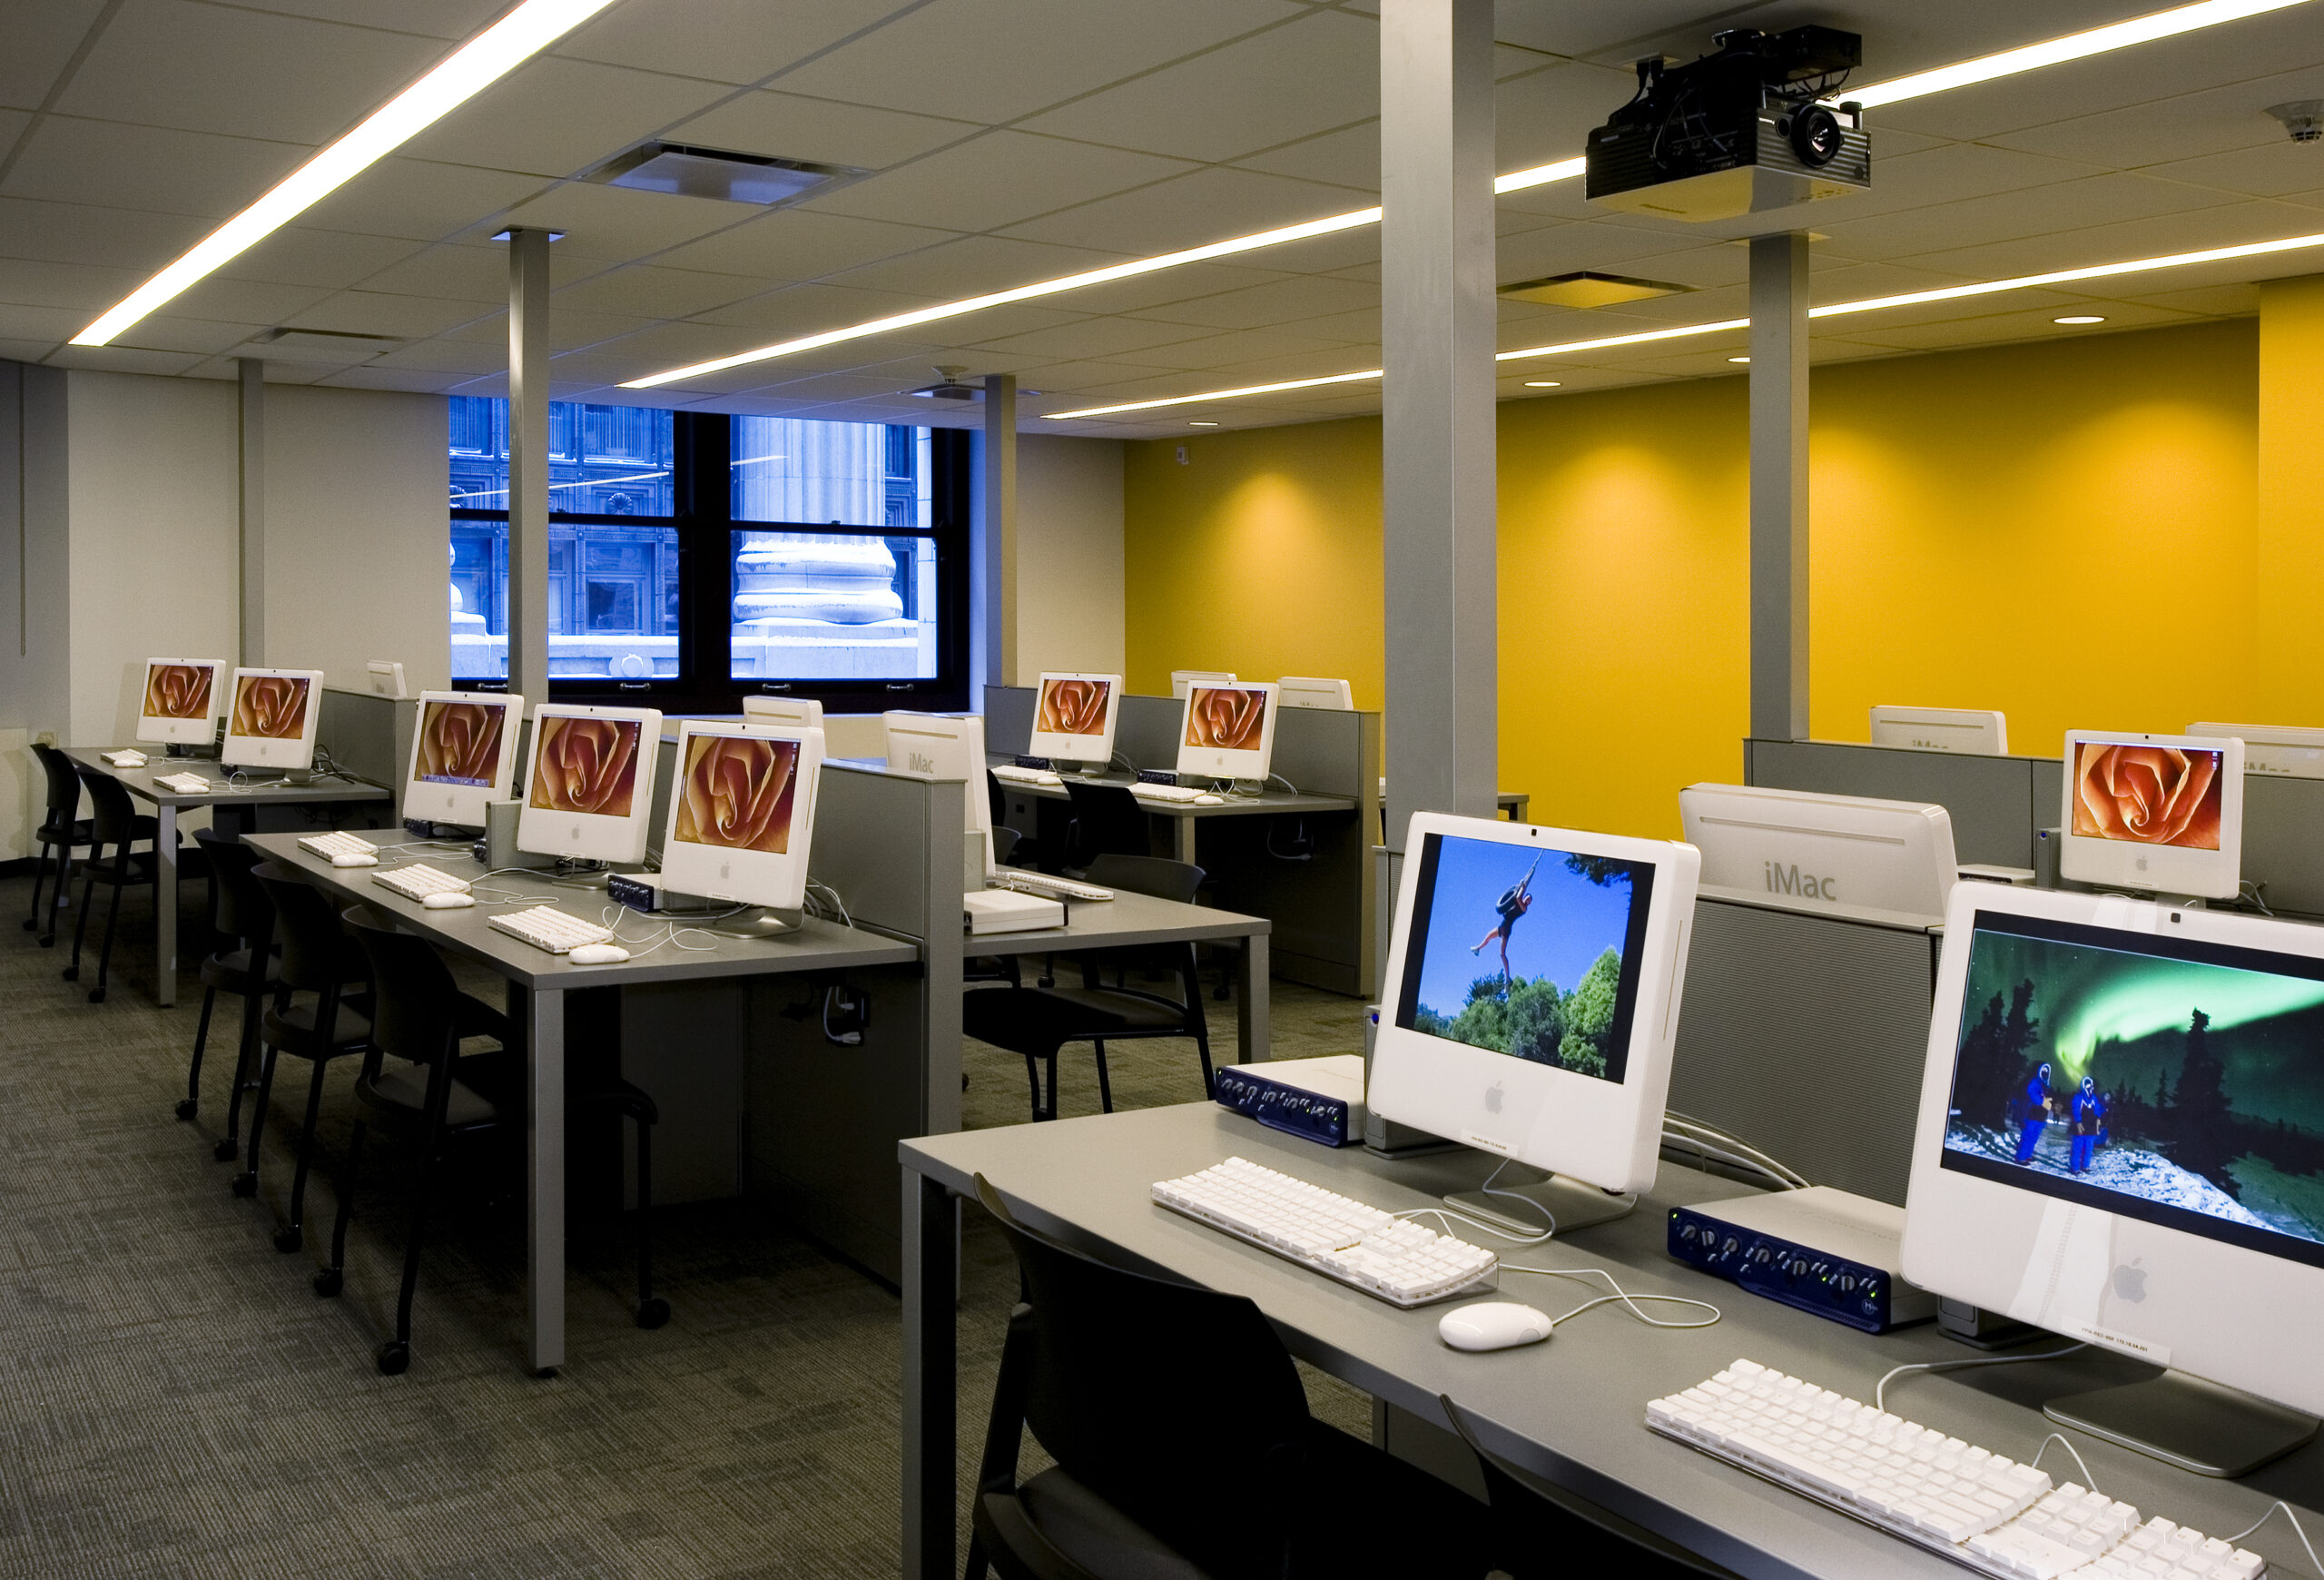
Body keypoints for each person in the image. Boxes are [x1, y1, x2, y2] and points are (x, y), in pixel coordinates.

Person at [1469, 854, 1541, 984]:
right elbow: (1515, 897)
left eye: (1529, 900)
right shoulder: (1518, 901)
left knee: (1502, 954)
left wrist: (1522, 888)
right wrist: (1520, 887)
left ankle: (1508, 978)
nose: (1527, 900)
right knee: (1488, 937)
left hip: (1506, 929)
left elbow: (1518, 898)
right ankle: (1478, 948)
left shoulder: (1524, 907)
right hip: (1502, 926)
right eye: (1528, 898)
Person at [2014, 1062, 2054, 1164]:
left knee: (2034, 1138)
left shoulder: (2046, 1085)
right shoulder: (2035, 1082)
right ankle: (2021, 1158)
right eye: (2043, 1071)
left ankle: (2028, 1155)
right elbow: (2033, 1095)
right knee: (2028, 1137)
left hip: (2041, 1117)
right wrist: (2042, 1101)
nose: (2045, 1073)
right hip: (2032, 1115)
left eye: (2047, 1071)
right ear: (2039, 1071)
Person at [2069, 1076, 2102, 1175]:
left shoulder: (2094, 1098)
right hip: (2080, 1127)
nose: (2090, 1088)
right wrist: (2078, 1122)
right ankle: (2074, 1168)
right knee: (2077, 1148)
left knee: (2088, 1149)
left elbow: (2097, 1109)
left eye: (2091, 1086)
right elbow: (2075, 1110)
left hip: (2091, 1129)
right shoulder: (2078, 1097)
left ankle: (2085, 1166)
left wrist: (2098, 1118)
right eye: (2087, 1086)